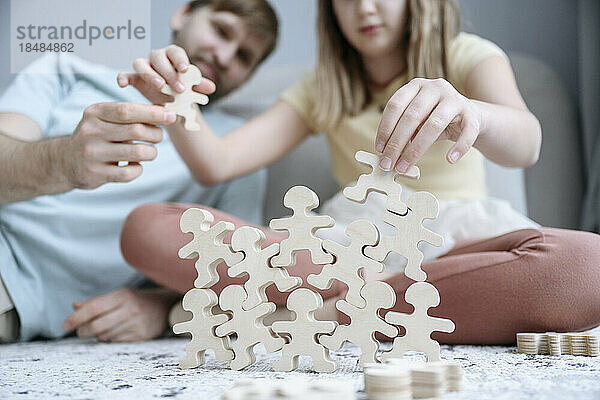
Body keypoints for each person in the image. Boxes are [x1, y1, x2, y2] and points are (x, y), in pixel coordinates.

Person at [121, 0, 600, 344]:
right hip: (347, 247)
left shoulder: (467, 54)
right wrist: (176, 101)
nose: (365, 9)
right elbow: (217, 162)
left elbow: (526, 145)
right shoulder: (320, 87)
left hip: (455, 245)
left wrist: (470, 112)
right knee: (147, 227)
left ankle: (314, 314)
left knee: (588, 266)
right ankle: (359, 306)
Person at [0, 0, 279, 343]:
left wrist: (162, 307)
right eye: (221, 30)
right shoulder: (63, 72)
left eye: (243, 57)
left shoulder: (238, 153)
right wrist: (62, 161)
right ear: (184, 14)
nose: (224, 55)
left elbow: (236, 275)